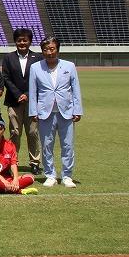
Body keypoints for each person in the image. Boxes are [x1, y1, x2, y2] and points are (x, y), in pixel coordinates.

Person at [28, 37, 83, 188]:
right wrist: (33, 112)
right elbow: (33, 91)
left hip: (66, 111)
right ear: (42, 51)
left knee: (68, 146)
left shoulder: (69, 66)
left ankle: (67, 176)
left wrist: (77, 110)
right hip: (44, 112)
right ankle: (50, 175)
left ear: (57, 49)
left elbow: (76, 89)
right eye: (46, 49)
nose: (49, 52)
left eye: (52, 49)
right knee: (46, 146)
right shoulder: (35, 67)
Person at [0, 27, 42, 175]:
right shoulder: (9, 57)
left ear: (30, 41)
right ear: (15, 41)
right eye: (19, 40)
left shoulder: (38, 58)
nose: (22, 42)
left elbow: (40, 79)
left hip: (32, 102)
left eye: (25, 40)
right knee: (14, 132)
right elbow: (5, 78)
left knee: (32, 132)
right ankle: (13, 161)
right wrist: (19, 94)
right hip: (14, 100)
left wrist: (27, 94)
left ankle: (35, 162)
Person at [0, 119, 37, 195]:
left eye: (0, 129)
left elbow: (13, 164)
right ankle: (20, 191)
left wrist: (15, 179)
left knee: (30, 178)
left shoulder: (10, 145)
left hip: (7, 178)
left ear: (4, 130)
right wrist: (2, 180)